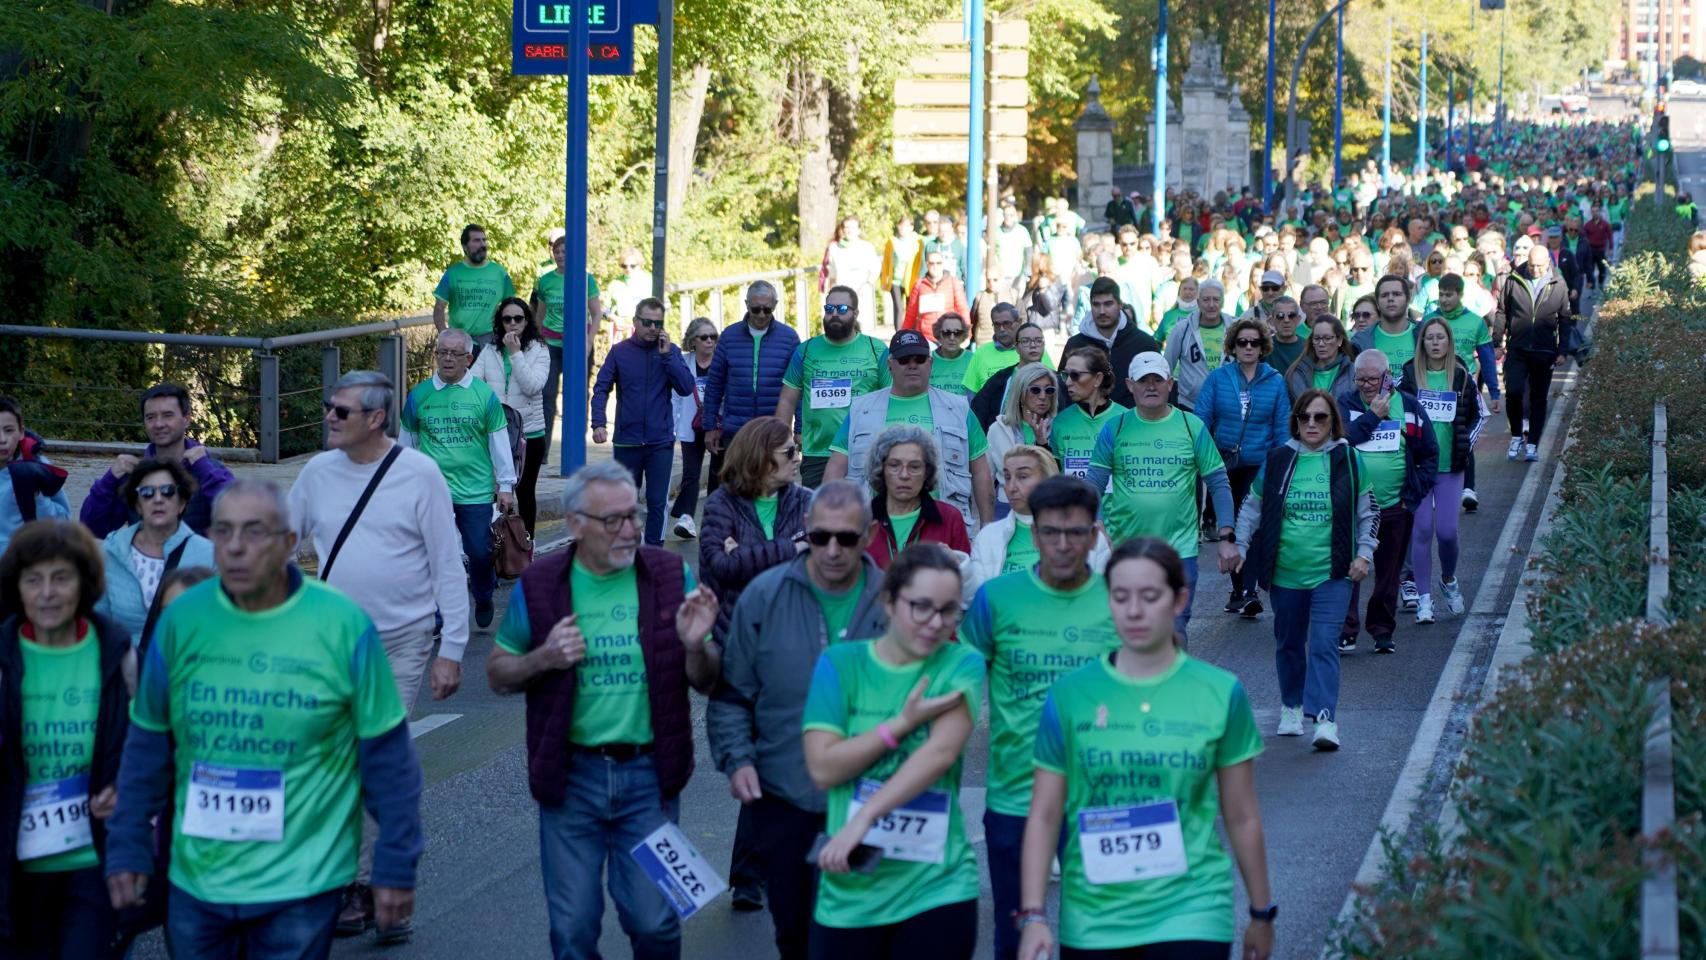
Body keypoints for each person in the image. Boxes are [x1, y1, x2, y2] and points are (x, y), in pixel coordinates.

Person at [106, 480, 425, 953]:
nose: (234, 548)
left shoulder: (342, 625)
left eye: (254, 533)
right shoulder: (182, 619)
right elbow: (148, 744)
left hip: (301, 882)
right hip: (199, 880)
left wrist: (396, 864)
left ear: (289, 543)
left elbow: (388, 760)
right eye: (223, 532)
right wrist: (128, 841)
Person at [485, 460, 720, 960]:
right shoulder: (541, 583)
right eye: (612, 520)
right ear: (574, 525)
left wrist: (697, 646)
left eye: (633, 516)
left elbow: (707, 679)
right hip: (572, 782)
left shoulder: (669, 573)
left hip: (649, 781)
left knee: (657, 923)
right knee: (572, 932)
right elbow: (499, 673)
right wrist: (544, 657)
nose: (631, 530)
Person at [1017, 537, 1276, 960]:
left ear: (1180, 600)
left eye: (1150, 596)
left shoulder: (1220, 692)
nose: (1134, 611)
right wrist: (1033, 917)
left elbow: (1242, 814)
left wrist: (1262, 913)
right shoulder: (1069, 695)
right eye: (1121, 597)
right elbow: (1045, 813)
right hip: (1094, 917)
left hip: (1192, 910)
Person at [289, 370, 469, 937]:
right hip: (328, 646)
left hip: (400, 641)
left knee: (373, 763)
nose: (329, 417)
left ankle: (369, 885)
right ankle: (351, 878)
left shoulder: (419, 474)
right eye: (328, 407)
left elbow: (447, 561)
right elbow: (278, 542)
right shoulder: (316, 473)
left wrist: (453, 649)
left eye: (341, 411)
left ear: (376, 418)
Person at [707, 480, 887, 960]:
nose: (831, 549)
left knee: (861, 933)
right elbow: (732, 693)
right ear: (806, 530)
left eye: (846, 539)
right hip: (786, 794)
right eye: (821, 536)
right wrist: (737, 760)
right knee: (794, 930)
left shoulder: (894, 603)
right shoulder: (764, 596)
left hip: (872, 795)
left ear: (868, 535)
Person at [961, 477, 1121, 960]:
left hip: (1098, 796)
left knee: (1093, 936)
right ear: (1035, 535)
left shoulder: (1119, 602)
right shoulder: (997, 599)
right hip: (1015, 792)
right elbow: (962, 684)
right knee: (1014, 935)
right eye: (1051, 532)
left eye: (1075, 533)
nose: (1063, 544)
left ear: (1095, 536)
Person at [800, 543, 984, 959]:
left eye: (949, 610)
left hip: (938, 887)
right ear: (888, 600)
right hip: (851, 891)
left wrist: (865, 815)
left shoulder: (960, 664)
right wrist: (902, 724)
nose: (936, 623)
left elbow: (938, 754)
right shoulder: (841, 665)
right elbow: (825, 768)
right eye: (921, 607)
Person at [0, 520, 134, 959]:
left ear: (84, 583)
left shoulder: (115, 651)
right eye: (33, 579)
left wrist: (124, 788)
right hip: (12, 861)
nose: (47, 593)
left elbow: (146, 741)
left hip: (91, 859)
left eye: (61, 578)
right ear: (16, 587)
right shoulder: (3, 655)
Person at [1234, 390, 1376, 750]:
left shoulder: (1349, 458)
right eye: (1305, 417)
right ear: (1295, 422)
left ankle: (1326, 718)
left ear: (1333, 422)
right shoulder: (1278, 459)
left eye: (1320, 417)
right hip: (1285, 573)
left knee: (1325, 644)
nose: (1312, 424)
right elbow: (1252, 507)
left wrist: (1364, 555)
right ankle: (1292, 707)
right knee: (1290, 644)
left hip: (1334, 572)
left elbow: (1369, 512)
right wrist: (1238, 545)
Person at [1087, 353, 1238, 646]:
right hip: (1124, 550)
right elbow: (1093, 485)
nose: (1151, 386)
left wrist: (1226, 535)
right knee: (1125, 634)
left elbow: (1219, 483)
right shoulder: (1115, 428)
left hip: (1178, 552)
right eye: (1144, 381)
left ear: (1170, 383)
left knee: (1174, 634)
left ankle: (1169, 690)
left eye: (1158, 380)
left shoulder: (1190, 426)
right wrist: (1098, 526)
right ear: (1130, 385)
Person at [401, 329, 517, 629]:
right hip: (432, 492)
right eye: (442, 352)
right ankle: (437, 615)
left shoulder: (484, 396)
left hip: (475, 490)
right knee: (434, 555)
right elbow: (407, 443)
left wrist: (505, 486)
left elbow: (499, 443)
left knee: (479, 552)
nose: (447, 358)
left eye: (454, 353)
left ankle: (482, 593)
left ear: (469, 357)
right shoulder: (419, 396)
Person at [825, 331, 995, 531]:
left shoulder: (959, 408)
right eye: (904, 359)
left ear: (930, 363)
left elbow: (981, 470)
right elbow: (835, 468)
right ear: (890, 364)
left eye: (920, 359)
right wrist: (831, 522)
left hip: (943, 524)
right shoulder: (861, 409)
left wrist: (987, 528)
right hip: (875, 527)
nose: (912, 365)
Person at [1336, 350, 1438, 655]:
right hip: (1353, 507)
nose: (1366, 385)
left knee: (1388, 572)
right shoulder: (1346, 403)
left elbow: (1429, 454)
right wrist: (1372, 417)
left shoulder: (1408, 406)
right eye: (1361, 379)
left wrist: (1412, 497)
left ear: (1387, 377)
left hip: (1395, 506)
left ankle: (1382, 630)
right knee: (1349, 570)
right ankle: (1346, 629)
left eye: (1372, 379)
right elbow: (1341, 443)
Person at [1196, 319, 1292, 619]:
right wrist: (1204, 461)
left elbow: (1282, 429)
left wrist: (1274, 468)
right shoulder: (1218, 378)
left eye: (1254, 343)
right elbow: (1201, 421)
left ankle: (1249, 590)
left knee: (1250, 525)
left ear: (1263, 347)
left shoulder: (1275, 381)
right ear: (1233, 346)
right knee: (1231, 527)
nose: (1248, 347)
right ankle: (1239, 589)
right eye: (1242, 342)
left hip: (1258, 464)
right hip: (1222, 464)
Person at [591, 297, 697, 546]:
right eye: (647, 322)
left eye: (657, 323)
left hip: (660, 441)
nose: (652, 328)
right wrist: (598, 423)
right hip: (627, 441)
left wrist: (668, 357)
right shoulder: (619, 352)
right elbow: (601, 388)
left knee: (657, 502)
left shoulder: (670, 352)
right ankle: (628, 548)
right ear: (636, 322)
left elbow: (685, 387)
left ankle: (654, 553)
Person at [698, 417, 811, 644]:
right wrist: (794, 548)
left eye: (797, 450)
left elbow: (818, 566)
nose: (797, 458)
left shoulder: (807, 501)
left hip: (794, 635)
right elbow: (721, 567)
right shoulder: (720, 504)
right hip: (735, 637)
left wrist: (742, 557)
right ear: (760, 457)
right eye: (789, 452)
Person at [81, 383, 234, 539]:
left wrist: (204, 469)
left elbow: (236, 514)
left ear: (186, 419)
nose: (159, 424)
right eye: (151, 417)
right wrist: (109, 479)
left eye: (168, 415)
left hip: (198, 563)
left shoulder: (210, 471)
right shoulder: (132, 476)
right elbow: (91, 528)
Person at [1400, 319, 1476, 625]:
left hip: (1451, 467)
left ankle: (1447, 578)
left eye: (1440, 338)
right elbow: (1397, 415)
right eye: (1429, 338)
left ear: (1448, 342)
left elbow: (1475, 416)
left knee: (1446, 532)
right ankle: (1423, 599)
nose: (1434, 343)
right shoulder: (1408, 376)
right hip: (1420, 468)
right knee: (1421, 531)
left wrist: (1465, 445)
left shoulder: (1460, 376)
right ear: (1422, 343)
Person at [776, 286, 890, 488]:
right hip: (818, 453)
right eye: (829, 309)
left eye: (842, 308)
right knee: (819, 515)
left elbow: (893, 397)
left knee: (866, 516)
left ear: (855, 313)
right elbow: (787, 400)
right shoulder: (806, 349)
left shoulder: (876, 349)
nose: (834, 314)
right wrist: (780, 445)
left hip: (865, 450)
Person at [92, 459, 214, 646]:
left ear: (182, 503)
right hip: (128, 667)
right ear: (138, 505)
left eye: (167, 491)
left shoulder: (209, 555)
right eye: (147, 493)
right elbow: (99, 624)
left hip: (185, 666)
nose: (158, 499)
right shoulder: (111, 551)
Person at [701, 281, 802, 481]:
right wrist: (710, 427)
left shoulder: (789, 338)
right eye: (756, 309)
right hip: (736, 431)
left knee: (772, 488)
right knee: (737, 489)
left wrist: (799, 429)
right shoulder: (729, 337)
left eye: (768, 309)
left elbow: (799, 388)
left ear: (775, 305)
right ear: (747, 304)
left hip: (774, 430)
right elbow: (714, 385)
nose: (762, 314)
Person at [471, 297, 551, 536]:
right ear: (500, 323)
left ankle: (527, 546)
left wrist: (516, 354)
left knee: (525, 492)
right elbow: (474, 384)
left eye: (518, 318)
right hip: (496, 432)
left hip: (529, 433)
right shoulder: (489, 350)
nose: (513, 324)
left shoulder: (539, 350)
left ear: (527, 321)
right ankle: (498, 546)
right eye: (507, 319)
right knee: (496, 491)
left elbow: (532, 386)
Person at [1422, 273, 1499, 513]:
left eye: (1449, 295)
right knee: (1435, 436)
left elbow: (1486, 357)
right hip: (1432, 387)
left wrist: (1495, 393)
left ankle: (1469, 488)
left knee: (1463, 434)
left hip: (1463, 387)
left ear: (1460, 294)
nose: (1444, 299)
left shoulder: (1475, 322)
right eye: (1441, 295)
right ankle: (1434, 488)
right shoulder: (1429, 319)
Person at [1499, 243, 1575, 463]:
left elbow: (1565, 319)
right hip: (1518, 348)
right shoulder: (1513, 280)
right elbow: (1503, 311)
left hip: (1544, 350)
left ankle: (1532, 444)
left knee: (1538, 399)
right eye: (1531, 265)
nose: (1535, 270)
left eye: (1540, 266)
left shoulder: (1558, 284)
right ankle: (1516, 436)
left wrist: (1563, 349)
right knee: (1513, 393)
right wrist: (1497, 341)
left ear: (1548, 263)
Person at [858, 425, 971, 569]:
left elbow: (966, 584)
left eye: (914, 466)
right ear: (881, 469)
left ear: (927, 472)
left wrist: (958, 565)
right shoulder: (861, 519)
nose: (904, 475)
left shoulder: (949, 518)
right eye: (894, 465)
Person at [530, 232, 605, 436]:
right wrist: (537, 342)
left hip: (577, 343)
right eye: (557, 251)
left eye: (565, 251)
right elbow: (540, 315)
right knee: (547, 393)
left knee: (578, 393)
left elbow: (596, 313)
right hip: (551, 343)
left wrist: (588, 341)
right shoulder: (545, 281)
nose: (561, 255)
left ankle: (577, 440)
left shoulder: (585, 278)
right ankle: (543, 449)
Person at [1060, 277, 1161, 409]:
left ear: (1120, 305)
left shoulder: (1144, 343)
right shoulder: (1076, 345)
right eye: (1096, 305)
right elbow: (1064, 387)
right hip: (1084, 422)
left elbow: (1158, 387)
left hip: (1131, 421)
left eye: (1108, 304)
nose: (1102, 311)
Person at [669, 317, 726, 540]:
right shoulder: (684, 363)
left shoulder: (722, 362)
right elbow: (675, 396)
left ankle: (712, 519)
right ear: (693, 341)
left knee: (717, 473)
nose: (710, 341)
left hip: (718, 425)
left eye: (714, 336)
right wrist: (672, 428)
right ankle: (687, 518)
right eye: (704, 337)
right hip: (691, 425)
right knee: (691, 473)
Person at [0, 396, 72, 566]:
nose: (2, 439)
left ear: (21, 432)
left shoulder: (38, 467)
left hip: (25, 566)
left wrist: (36, 496)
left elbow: (64, 523)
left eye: (9, 430)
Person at [985, 363, 1058, 514]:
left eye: (1049, 390)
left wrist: (1042, 442)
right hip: (1007, 509)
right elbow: (986, 481)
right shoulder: (998, 429)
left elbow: (1056, 479)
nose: (1043, 396)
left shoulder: (1060, 427)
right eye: (1035, 390)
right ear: (1020, 393)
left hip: (1048, 509)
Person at [433, 224, 516, 347]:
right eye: (476, 240)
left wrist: (507, 332)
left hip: (491, 338)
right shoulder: (453, 273)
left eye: (484, 240)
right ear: (465, 246)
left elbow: (511, 305)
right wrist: (445, 337)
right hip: (460, 339)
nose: (482, 245)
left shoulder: (500, 272)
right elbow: (439, 308)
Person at [1051, 346, 1122, 483]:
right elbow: (1054, 476)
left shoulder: (1124, 418)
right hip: (1072, 503)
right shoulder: (1060, 422)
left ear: (1098, 379)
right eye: (1065, 375)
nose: (1067, 382)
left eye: (1075, 375)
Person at [1161, 278, 1232, 412]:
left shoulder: (1234, 328)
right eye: (1206, 299)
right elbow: (1167, 365)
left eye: (1216, 299)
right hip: (1190, 404)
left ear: (1222, 302)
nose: (1211, 305)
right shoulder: (1182, 329)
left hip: (1227, 403)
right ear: (1198, 302)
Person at [971, 323, 1050, 430]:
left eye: (1038, 340)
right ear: (1016, 348)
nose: (1033, 345)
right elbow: (978, 412)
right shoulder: (1001, 378)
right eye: (1026, 341)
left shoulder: (1054, 379)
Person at [1351, 275, 1420, 374]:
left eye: (1397, 294)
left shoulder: (1425, 334)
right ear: (1377, 302)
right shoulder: (1360, 342)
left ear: (1408, 299)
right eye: (1384, 295)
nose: (1390, 299)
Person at [824, 217, 882, 331]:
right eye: (846, 227)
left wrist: (868, 284)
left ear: (858, 230)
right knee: (843, 328)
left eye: (853, 227)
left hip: (862, 294)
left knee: (862, 328)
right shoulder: (834, 248)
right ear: (842, 229)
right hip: (842, 297)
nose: (849, 230)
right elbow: (832, 276)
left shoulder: (866, 247)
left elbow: (875, 269)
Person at [1287, 317, 1356, 403]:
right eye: (1316, 338)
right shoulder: (1297, 373)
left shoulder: (1354, 372)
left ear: (1339, 340)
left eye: (1327, 338)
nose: (1321, 344)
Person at [903, 249, 969, 340]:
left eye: (938, 263)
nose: (935, 266)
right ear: (927, 264)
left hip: (949, 336)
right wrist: (902, 336)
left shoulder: (953, 282)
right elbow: (910, 314)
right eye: (932, 263)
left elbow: (963, 310)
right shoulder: (919, 284)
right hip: (926, 338)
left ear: (943, 264)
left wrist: (967, 335)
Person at [962, 303, 1024, 394]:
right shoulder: (981, 353)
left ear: (1019, 322)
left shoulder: (1032, 350)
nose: (1002, 329)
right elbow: (971, 392)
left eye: (1007, 323)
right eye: (997, 324)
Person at [882, 217, 925, 330]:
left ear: (911, 227)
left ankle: (912, 333)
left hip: (911, 280)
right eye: (900, 225)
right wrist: (884, 280)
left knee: (911, 308)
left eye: (906, 226)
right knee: (898, 307)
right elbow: (886, 262)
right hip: (895, 280)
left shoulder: (918, 242)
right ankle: (898, 334)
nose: (902, 228)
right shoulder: (891, 241)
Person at [928, 313, 975, 395]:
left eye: (957, 333)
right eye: (946, 333)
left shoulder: (973, 359)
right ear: (939, 334)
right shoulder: (927, 360)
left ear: (963, 335)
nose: (952, 338)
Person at [1265, 296, 1308, 375]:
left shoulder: (1308, 348)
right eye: (1280, 316)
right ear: (1272, 321)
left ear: (1298, 319)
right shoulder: (1263, 348)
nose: (1286, 320)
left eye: (1291, 315)